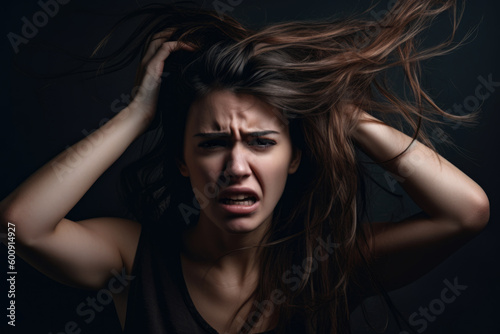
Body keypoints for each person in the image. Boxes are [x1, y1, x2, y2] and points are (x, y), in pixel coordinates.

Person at [0, 0, 490, 333]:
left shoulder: (334, 264)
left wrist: (344, 115)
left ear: (294, 156)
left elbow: (466, 212)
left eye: (261, 142)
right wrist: (137, 113)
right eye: (212, 143)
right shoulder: (134, 257)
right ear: (183, 161)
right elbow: (17, 226)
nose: (236, 165)